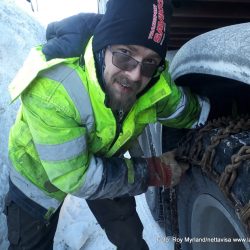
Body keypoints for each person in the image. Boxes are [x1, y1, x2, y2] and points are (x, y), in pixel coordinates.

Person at [5, 0, 210, 249]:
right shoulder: (52, 90)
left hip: (103, 159)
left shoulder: (152, 79)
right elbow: (78, 178)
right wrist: (155, 171)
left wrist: (210, 115)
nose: (135, 75)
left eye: (149, 61)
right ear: (104, 46)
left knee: (131, 237)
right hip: (36, 180)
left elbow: (179, 107)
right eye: (125, 55)